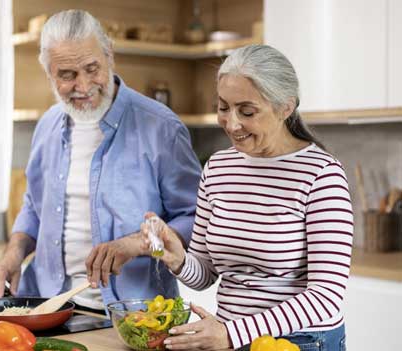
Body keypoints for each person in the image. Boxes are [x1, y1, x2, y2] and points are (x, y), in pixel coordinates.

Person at [139, 45, 353, 350]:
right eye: (224, 107)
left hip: (301, 341)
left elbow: (325, 295)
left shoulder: (321, 174)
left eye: (247, 111)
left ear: (285, 108)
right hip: (229, 338)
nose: (232, 123)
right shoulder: (218, 167)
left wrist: (232, 334)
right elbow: (205, 275)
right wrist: (177, 258)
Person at [0, 10, 201, 311]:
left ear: (109, 55)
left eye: (92, 68)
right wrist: (12, 255)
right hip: (47, 306)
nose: (84, 86)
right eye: (67, 75)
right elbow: (35, 209)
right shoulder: (47, 126)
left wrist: (136, 243)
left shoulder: (160, 127)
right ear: (48, 73)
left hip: (133, 315)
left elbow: (196, 219)